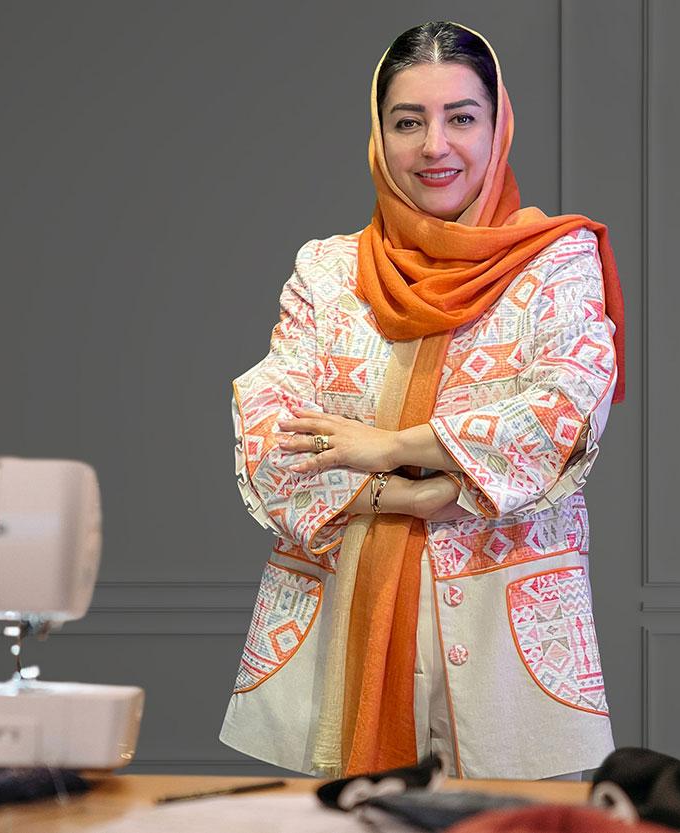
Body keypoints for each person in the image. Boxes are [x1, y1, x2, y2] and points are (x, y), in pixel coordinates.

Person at [219, 21, 627, 781]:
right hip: (341, 629)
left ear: (498, 126)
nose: (435, 146)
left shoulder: (554, 260)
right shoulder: (328, 271)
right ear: (379, 135)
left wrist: (388, 447)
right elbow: (272, 432)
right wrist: (419, 493)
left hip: (508, 654)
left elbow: (564, 410)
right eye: (408, 122)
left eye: (461, 117)